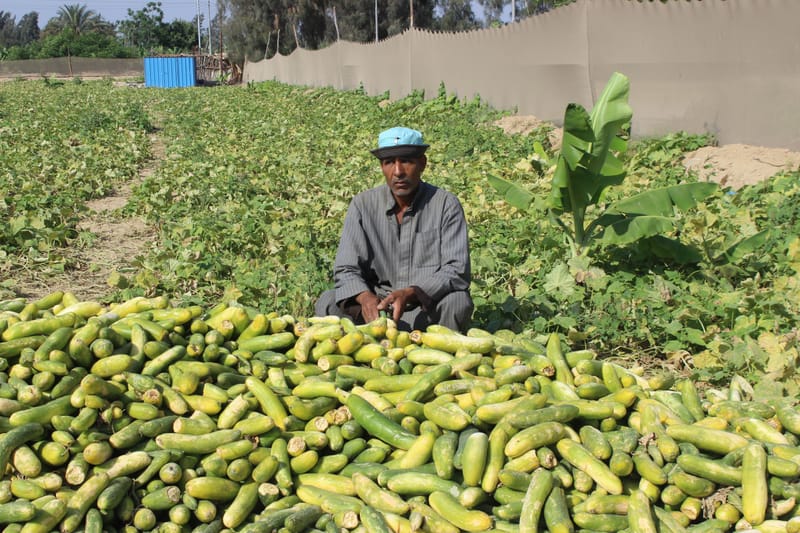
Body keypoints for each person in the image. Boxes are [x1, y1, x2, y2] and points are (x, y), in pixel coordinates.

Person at [315, 126, 474, 332]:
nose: (398, 172)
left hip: (423, 307)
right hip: (376, 308)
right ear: (382, 166)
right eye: (389, 162)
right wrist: (365, 298)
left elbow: (456, 269)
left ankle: (431, 355)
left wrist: (411, 293)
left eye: (406, 161)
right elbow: (346, 268)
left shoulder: (445, 205)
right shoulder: (363, 205)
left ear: (422, 163)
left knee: (458, 302)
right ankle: (364, 349)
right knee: (328, 300)